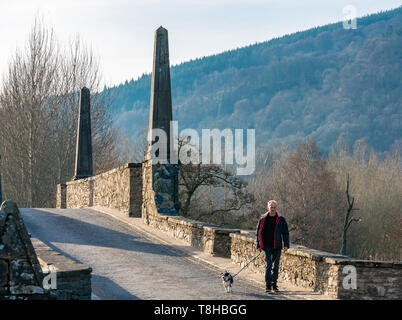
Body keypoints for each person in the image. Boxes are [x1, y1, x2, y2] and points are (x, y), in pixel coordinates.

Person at [256, 200, 289, 293]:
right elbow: (258, 233)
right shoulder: (263, 218)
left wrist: (286, 245)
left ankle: (274, 285)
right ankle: (268, 286)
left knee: (276, 266)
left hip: (277, 246)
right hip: (266, 246)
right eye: (271, 207)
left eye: (274, 207)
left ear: (276, 208)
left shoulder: (281, 219)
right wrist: (258, 244)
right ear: (268, 208)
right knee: (268, 265)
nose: (273, 209)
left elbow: (285, 233)